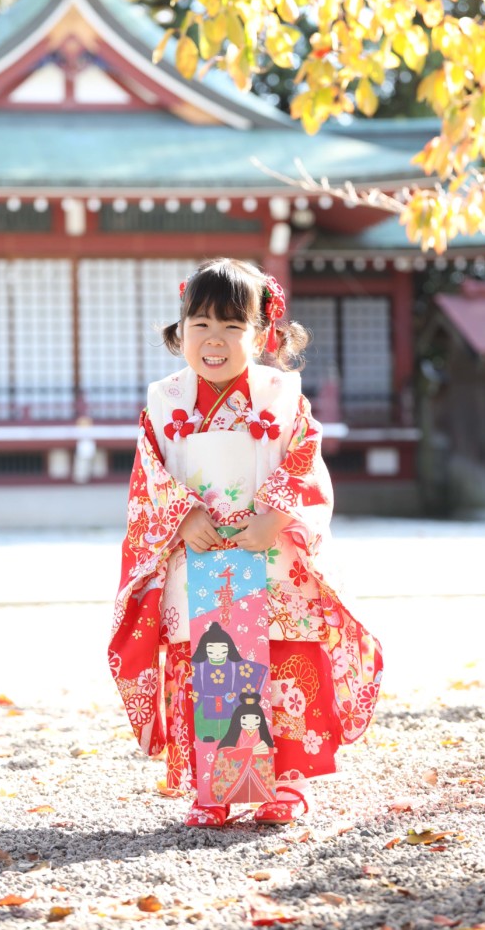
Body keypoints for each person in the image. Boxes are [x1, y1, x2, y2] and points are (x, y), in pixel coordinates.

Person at [108, 257, 383, 828]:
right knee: (214, 662)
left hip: (271, 549)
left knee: (279, 662)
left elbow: (305, 455)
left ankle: (285, 781)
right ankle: (217, 786)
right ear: (180, 329)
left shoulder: (283, 396)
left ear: (262, 335)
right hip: (199, 550)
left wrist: (275, 516)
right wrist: (182, 520)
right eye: (201, 323)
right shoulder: (164, 400)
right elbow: (150, 476)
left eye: (234, 326)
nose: (215, 340)